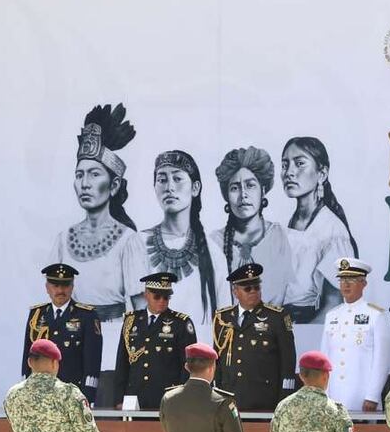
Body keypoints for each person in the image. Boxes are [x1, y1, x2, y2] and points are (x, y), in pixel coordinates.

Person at [49, 103, 138, 321]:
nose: (85, 183)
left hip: (114, 333)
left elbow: (142, 312)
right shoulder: (62, 240)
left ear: (114, 185)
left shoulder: (129, 241)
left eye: (94, 174)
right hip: (71, 335)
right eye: (79, 175)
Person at [123, 150, 227, 324]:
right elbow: (142, 315)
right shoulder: (138, 243)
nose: (169, 187)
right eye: (162, 180)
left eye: (177, 179)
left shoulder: (213, 252)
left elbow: (224, 319)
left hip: (200, 341)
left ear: (195, 188)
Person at [282, 137, 360, 323]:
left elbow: (332, 306)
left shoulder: (333, 231)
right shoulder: (286, 223)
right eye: (285, 165)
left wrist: (300, 336)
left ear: (322, 173)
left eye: (299, 163)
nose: (289, 172)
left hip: (307, 327)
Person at [211, 147, 293, 307]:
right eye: (235, 188)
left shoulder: (283, 238)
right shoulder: (213, 243)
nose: (243, 194)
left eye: (250, 185)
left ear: (263, 190)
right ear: (226, 196)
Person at [211, 263, 297, 411]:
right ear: (235, 291)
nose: (253, 292)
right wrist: (216, 391)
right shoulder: (222, 318)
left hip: (263, 397)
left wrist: (285, 397)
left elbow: (288, 360)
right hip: (229, 395)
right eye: (247, 288)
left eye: (256, 287)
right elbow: (218, 359)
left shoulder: (276, 317)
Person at [113, 272, 197, 409]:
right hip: (134, 398)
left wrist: (182, 398)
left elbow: (188, 366)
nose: (161, 301)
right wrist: (119, 398)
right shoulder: (131, 321)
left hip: (168, 399)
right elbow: (122, 363)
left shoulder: (180, 323)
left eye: (166, 297)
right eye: (157, 296)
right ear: (146, 294)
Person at [21, 263, 102, 404]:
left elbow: (92, 360)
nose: (60, 290)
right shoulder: (37, 314)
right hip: (40, 393)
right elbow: (28, 355)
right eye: (55, 285)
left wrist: (87, 395)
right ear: (47, 287)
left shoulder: (87, 315)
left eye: (65, 285)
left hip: (72, 393)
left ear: (72, 287)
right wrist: (26, 387)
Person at [320, 258, 390, 411]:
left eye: (351, 280)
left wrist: (372, 396)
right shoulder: (332, 315)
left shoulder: (375, 315)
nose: (346, 284)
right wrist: (324, 393)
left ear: (363, 283)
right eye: (342, 280)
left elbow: (382, 361)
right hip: (333, 394)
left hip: (361, 396)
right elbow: (324, 357)